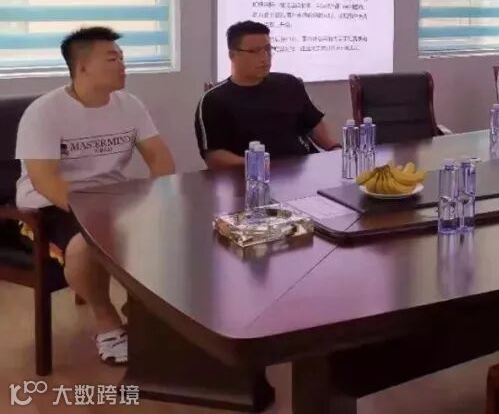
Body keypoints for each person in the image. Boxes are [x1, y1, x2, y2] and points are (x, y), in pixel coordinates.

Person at [15, 27, 176, 365]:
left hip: (113, 196)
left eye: (122, 58)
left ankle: (145, 312)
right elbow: (45, 180)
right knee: (85, 244)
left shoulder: (130, 105)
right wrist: (95, 216)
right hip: (52, 204)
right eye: (113, 58)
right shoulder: (44, 112)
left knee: (171, 228)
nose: (123, 65)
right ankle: (107, 322)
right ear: (83, 66)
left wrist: (162, 200)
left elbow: (160, 158)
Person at [195, 20, 338, 169]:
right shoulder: (214, 100)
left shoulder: (288, 83)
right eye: (255, 51)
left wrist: (334, 147)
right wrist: (258, 165)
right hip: (252, 175)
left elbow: (313, 123)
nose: (265, 57)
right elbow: (213, 156)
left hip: (301, 168)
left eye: (268, 49)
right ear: (232, 55)